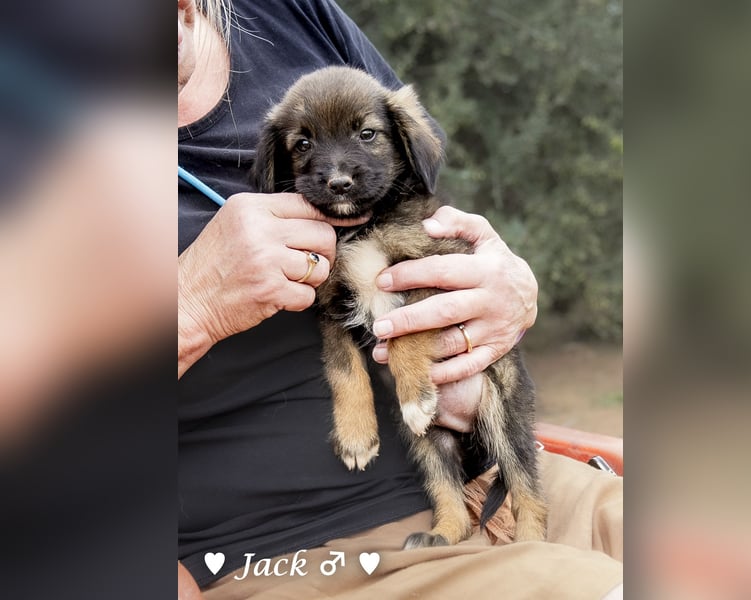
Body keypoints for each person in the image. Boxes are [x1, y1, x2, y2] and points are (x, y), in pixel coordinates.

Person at [178, 1, 623, 598]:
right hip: (302, 551)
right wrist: (191, 303)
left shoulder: (289, 12)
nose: (336, 173)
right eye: (306, 147)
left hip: (496, 475)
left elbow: (421, 175)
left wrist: (510, 286)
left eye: (361, 136)